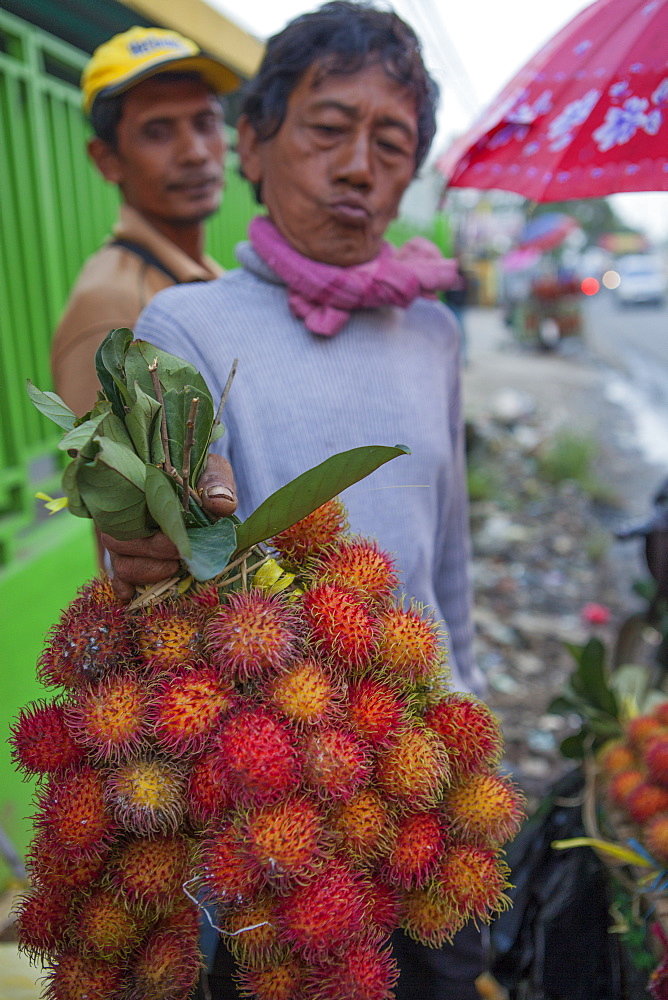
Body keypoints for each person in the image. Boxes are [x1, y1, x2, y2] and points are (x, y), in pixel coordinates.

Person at [107, 3, 486, 995]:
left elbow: (444, 559)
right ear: (253, 141)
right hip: (271, 782)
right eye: (327, 128)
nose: (358, 166)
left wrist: (469, 704)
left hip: (424, 771)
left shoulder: (434, 333)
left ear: (409, 173)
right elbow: (172, 537)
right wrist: (141, 544)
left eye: (390, 141)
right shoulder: (179, 324)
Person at [50, 26, 238, 416]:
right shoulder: (113, 310)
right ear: (107, 159)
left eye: (205, 123)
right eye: (158, 131)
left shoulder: (206, 277)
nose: (196, 153)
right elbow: (117, 476)